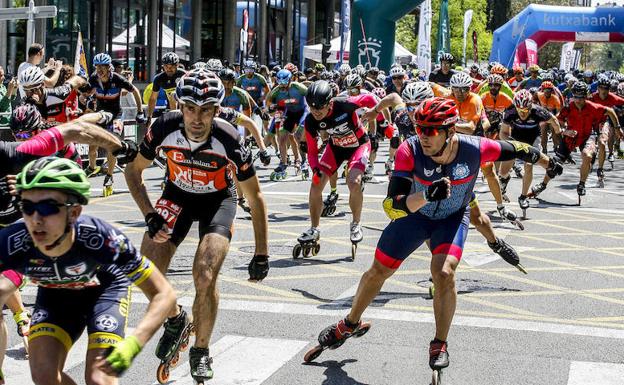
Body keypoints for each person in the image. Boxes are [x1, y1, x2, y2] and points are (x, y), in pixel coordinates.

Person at [311, 97, 562, 374]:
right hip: (415, 217)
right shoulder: (411, 150)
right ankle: (350, 322)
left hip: (452, 218)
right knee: (377, 272)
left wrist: (549, 164)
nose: (424, 136)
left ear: (450, 132)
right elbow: (392, 206)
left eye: (431, 131)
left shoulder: (475, 149)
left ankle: (440, 343)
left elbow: (520, 148)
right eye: (420, 129)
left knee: (444, 273)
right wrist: (426, 195)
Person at [124, 69, 269, 383]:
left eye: (206, 110)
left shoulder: (228, 138)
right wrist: (149, 213)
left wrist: (261, 253)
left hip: (218, 200)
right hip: (177, 195)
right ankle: (176, 319)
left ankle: (200, 350)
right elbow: (133, 171)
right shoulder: (163, 127)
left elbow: (255, 197)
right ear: (179, 104)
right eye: (190, 108)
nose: (197, 118)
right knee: (146, 269)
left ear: (217, 109)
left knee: (205, 274)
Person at [0, 156, 175, 384]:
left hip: (105, 292)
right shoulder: (12, 240)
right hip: (56, 296)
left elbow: (164, 294)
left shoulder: (101, 238)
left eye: (47, 207)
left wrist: (134, 344)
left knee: (98, 379)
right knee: (44, 376)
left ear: (74, 212)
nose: (35, 219)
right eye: (27, 207)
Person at [297, 81, 374, 256]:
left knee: (353, 182)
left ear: (330, 103)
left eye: (320, 108)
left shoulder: (345, 104)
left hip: (359, 145)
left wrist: (377, 114)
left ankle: (355, 223)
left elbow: (370, 98)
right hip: (336, 148)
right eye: (311, 107)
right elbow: (311, 150)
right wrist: (315, 168)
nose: (316, 112)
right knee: (316, 184)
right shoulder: (311, 120)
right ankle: (314, 228)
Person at [530, 81, 622, 199]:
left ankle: (581, 184)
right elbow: (556, 122)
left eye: (581, 97)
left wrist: (617, 128)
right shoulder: (568, 108)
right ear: (573, 95)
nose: (578, 100)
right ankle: (542, 185)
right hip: (570, 138)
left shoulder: (592, 107)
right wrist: (564, 131)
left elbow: (610, 111)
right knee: (555, 166)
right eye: (576, 97)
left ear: (586, 96)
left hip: (587, 136)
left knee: (587, 156)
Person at [86, 53, 146, 195]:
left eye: (102, 67)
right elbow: (88, 92)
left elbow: (135, 91)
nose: (99, 70)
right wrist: (87, 99)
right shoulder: (94, 78)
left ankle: (109, 176)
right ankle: (91, 167)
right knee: (91, 144)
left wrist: (139, 112)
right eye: (97, 66)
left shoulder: (117, 79)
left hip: (115, 115)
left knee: (112, 146)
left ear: (108, 68)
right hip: (100, 114)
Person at [498, 90, 562, 212]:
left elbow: (554, 122)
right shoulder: (510, 111)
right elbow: (503, 133)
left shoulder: (538, 110)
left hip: (533, 138)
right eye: (519, 110)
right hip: (515, 139)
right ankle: (505, 179)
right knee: (503, 171)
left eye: (525, 110)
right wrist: (512, 143)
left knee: (529, 164)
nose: (522, 113)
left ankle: (523, 196)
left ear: (530, 105)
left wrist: (560, 141)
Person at [265, 69, 307, 180]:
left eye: (285, 83)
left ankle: (303, 161)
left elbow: (310, 95)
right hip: (288, 113)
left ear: (290, 80)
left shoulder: (298, 87)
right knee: (282, 138)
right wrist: (271, 109)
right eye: (280, 83)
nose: (283, 86)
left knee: (297, 136)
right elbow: (268, 103)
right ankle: (283, 163)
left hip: (302, 112)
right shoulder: (276, 91)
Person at [147, 52, 186, 121]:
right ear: (163, 66)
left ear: (177, 65)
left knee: (173, 94)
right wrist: (149, 117)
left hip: (184, 99)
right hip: (172, 102)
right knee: (171, 96)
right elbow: (153, 98)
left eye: (172, 67)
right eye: (166, 67)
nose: (169, 69)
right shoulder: (159, 78)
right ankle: (175, 119)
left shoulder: (184, 74)